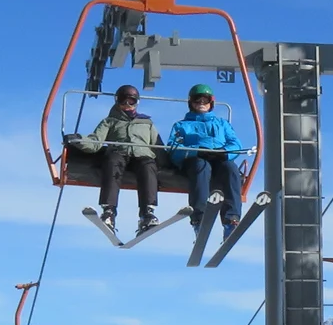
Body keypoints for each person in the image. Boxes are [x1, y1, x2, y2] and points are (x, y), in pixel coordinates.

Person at [167, 83, 245, 229]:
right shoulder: (182, 125)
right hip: (194, 161)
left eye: (205, 100)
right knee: (201, 166)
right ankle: (199, 217)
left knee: (230, 168)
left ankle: (231, 218)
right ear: (191, 103)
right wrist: (197, 151)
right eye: (198, 100)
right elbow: (174, 148)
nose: (201, 103)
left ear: (211, 103)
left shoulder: (222, 123)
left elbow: (236, 144)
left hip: (218, 159)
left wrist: (224, 154)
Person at [88, 84, 163, 235]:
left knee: (148, 165)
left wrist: (171, 164)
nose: (127, 106)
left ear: (137, 102)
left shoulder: (146, 123)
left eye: (131, 102)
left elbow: (158, 146)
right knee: (112, 162)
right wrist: (78, 141)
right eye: (123, 102)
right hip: (119, 152)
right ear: (117, 102)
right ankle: (109, 211)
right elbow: (95, 141)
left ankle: (147, 213)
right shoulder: (110, 121)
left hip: (142, 155)